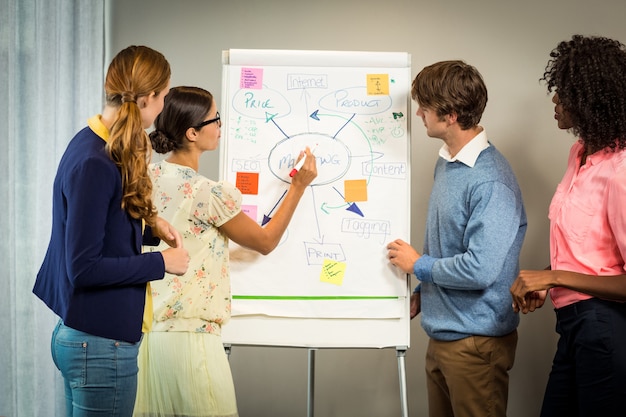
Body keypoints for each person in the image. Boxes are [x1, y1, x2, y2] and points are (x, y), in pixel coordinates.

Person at [132, 86, 317, 417]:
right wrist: (298, 187)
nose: (221, 125)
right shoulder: (208, 194)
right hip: (192, 342)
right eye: (215, 119)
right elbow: (265, 241)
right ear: (192, 133)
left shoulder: (143, 180)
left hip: (149, 340)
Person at [33, 45, 189, 417]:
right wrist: (161, 263)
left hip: (90, 340)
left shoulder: (95, 143)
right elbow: (84, 268)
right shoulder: (95, 161)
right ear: (149, 97)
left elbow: (100, 223)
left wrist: (152, 228)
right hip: (99, 346)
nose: (164, 106)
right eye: (165, 96)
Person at [386, 60, 527, 417]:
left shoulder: (490, 180)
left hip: (475, 344)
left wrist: (419, 266)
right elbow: (449, 245)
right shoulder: (448, 163)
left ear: (449, 115)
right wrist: (424, 291)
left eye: (425, 107)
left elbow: (480, 269)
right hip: (445, 335)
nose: (418, 113)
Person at [509, 35, 626, 416]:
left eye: (564, 93)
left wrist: (553, 277)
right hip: (574, 326)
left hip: (605, 327)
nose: (555, 102)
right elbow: (587, 255)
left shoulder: (621, 170)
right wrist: (547, 279)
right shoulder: (578, 154)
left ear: (589, 98)